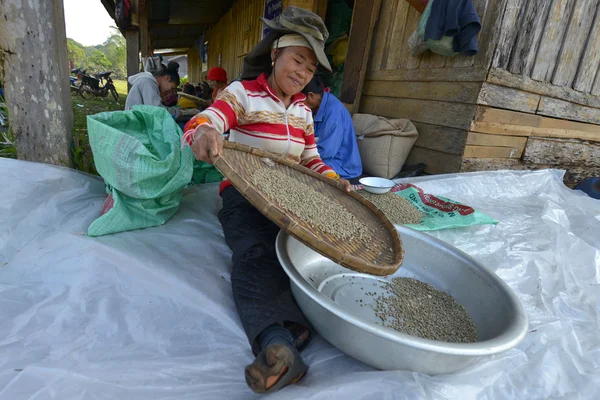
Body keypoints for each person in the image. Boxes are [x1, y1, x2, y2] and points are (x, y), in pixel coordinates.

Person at [182, 7, 351, 394]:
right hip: (247, 196)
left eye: (310, 69)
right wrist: (204, 133)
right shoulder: (244, 94)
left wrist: (332, 181)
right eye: (297, 60)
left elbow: (311, 159)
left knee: (309, 255)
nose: (302, 73)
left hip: (293, 199)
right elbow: (206, 119)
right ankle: (277, 342)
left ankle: (297, 332)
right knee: (256, 252)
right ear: (275, 53)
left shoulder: (303, 110)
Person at [302, 76, 362, 180]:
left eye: (301, 100)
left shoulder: (334, 113)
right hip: (327, 158)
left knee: (302, 170)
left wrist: (302, 157)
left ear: (311, 96)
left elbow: (326, 152)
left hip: (342, 165)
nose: (299, 104)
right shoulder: (316, 107)